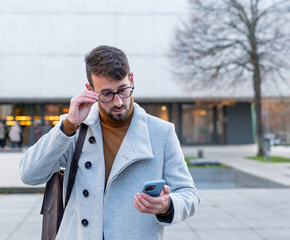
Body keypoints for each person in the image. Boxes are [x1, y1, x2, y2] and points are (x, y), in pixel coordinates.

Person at [20, 45, 200, 240]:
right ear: (90, 90)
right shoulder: (76, 127)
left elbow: (189, 194)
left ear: (131, 79)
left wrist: (167, 205)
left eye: (123, 90)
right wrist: (67, 125)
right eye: (106, 94)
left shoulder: (161, 132)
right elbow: (29, 174)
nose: (118, 102)